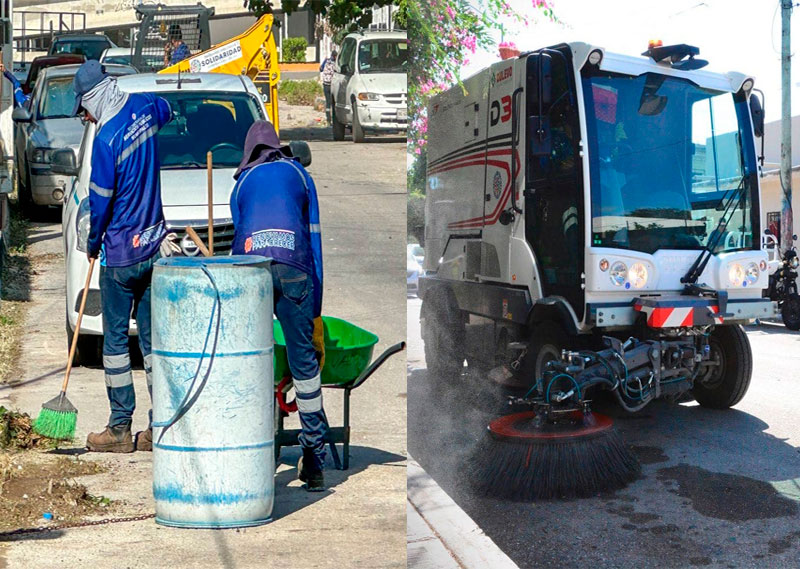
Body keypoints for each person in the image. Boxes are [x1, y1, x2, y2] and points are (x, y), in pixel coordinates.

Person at [72, 60, 174, 453]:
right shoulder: (146, 108)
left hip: (120, 254)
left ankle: (119, 429)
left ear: (94, 98)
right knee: (151, 342)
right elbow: (168, 109)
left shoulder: (106, 139)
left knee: (115, 343)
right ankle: (159, 426)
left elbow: (100, 203)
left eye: (84, 107)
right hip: (153, 246)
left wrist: (94, 242)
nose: (86, 116)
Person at [230, 120, 327, 491]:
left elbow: (238, 249)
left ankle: (252, 456)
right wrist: (315, 309)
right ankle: (315, 461)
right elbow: (314, 239)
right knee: (305, 366)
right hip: (295, 270)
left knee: (253, 360)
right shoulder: (299, 175)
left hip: (252, 272)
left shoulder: (241, 185)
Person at [319, 49, 337, 125]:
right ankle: (333, 119)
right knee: (333, 102)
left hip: (325, 84)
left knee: (328, 102)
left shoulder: (326, 61)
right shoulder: (335, 63)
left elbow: (320, 69)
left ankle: (328, 119)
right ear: (335, 56)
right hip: (332, 85)